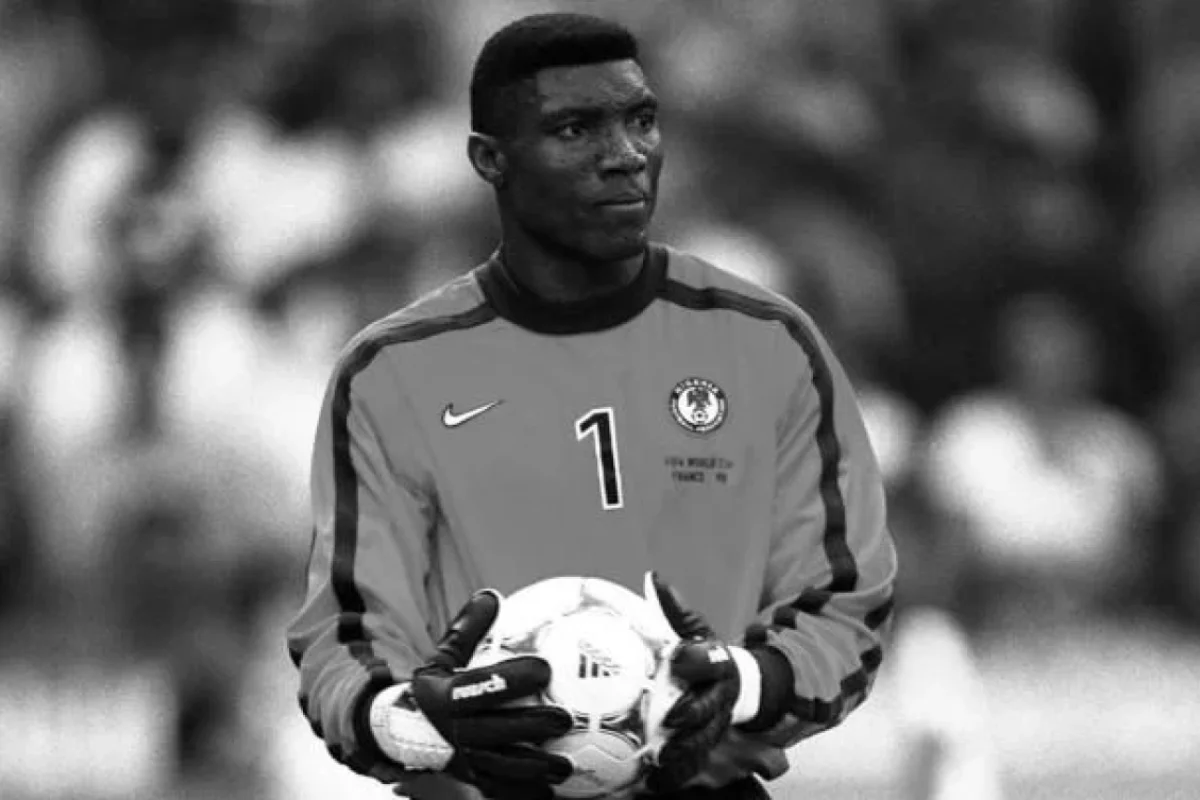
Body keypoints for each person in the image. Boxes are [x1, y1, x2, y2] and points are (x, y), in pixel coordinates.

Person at [286, 12, 897, 800]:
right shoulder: (391, 372)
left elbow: (845, 602)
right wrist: (414, 726)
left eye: (641, 120)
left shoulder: (767, 343)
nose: (626, 154)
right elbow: (345, 635)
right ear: (490, 160)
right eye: (575, 129)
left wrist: (742, 685)